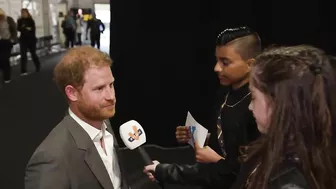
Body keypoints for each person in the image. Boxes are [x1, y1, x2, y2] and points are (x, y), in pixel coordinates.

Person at [144, 26, 261, 189]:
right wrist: (198, 138)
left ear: (250, 64)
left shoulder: (258, 109)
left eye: (225, 62)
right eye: (217, 60)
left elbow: (250, 171)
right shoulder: (224, 93)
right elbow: (227, 142)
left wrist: (217, 161)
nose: (217, 68)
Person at [231, 45, 336, 189]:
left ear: (279, 103)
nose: (250, 107)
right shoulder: (271, 148)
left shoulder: (290, 183)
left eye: (253, 97)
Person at [25, 46, 129, 189]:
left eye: (111, 85)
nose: (111, 96)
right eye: (99, 89)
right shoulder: (51, 159)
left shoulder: (103, 119)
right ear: (72, 93)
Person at [17, 8, 41, 74]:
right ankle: (23, 70)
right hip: (23, 40)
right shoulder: (19, 20)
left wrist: (24, 28)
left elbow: (32, 30)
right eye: (22, 13)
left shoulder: (31, 20)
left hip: (31, 39)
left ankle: (38, 66)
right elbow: (18, 28)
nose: (23, 14)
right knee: (23, 55)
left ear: (27, 13)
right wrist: (25, 28)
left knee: (33, 53)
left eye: (25, 12)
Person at [0, 8, 17, 84]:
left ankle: (7, 77)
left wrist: (12, 39)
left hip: (7, 42)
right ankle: (4, 74)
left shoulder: (9, 19)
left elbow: (14, 30)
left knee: (5, 59)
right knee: (1, 60)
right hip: (0, 42)